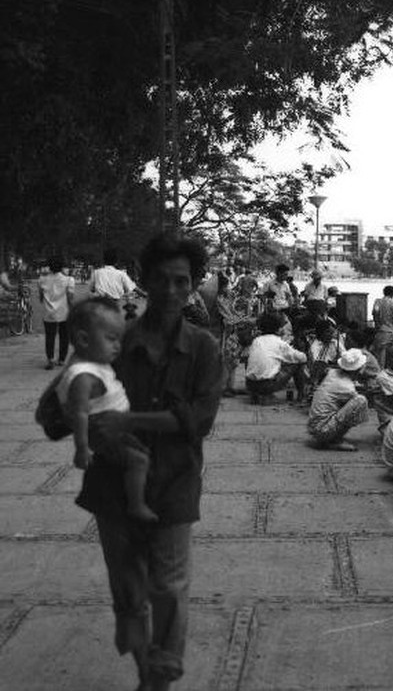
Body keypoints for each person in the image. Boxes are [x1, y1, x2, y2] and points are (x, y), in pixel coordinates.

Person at [75, 232, 223, 690]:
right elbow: (71, 400)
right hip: (112, 483)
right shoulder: (114, 342)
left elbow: (198, 421)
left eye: (183, 281)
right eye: (162, 280)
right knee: (128, 592)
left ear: (195, 283)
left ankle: (160, 680)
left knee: (170, 588)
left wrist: (127, 420)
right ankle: (146, 671)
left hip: (175, 482)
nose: (173, 291)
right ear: (144, 281)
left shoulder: (204, 348)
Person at [57, 298, 157, 523]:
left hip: (118, 427)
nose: (117, 346)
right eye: (111, 339)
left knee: (143, 454)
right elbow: (80, 413)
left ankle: (139, 487)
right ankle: (136, 505)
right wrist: (81, 449)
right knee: (138, 461)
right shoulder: (82, 376)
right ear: (83, 339)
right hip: (105, 432)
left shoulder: (90, 361)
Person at [306, 348, 372, 450]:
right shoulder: (347, 388)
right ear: (358, 369)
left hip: (313, 426)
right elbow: (354, 398)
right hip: (322, 430)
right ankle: (333, 440)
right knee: (360, 400)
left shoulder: (331, 372)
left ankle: (330, 437)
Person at [244, 312, 307, 403]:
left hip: (250, 384)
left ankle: (257, 394)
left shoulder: (256, 341)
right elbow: (301, 358)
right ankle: (301, 395)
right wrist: (304, 354)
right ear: (277, 329)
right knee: (298, 364)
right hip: (267, 384)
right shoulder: (278, 342)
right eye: (282, 327)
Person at [214, 273, 252, 396]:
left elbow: (233, 313)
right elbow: (229, 318)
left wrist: (242, 318)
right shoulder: (219, 299)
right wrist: (245, 320)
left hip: (231, 332)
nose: (228, 289)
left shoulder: (225, 298)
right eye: (225, 287)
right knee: (227, 359)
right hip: (224, 333)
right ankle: (224, 387)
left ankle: (230, 386)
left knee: (233, 359)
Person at [38, 256, 77, 369]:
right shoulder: (69, 280)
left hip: (48, 313)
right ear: (61, 267)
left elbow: (41, 297)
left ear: (49, 266)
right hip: (64, 312)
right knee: (64, 336)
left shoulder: (42, 279)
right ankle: (61, 360)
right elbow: (70, 297)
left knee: (50, 336)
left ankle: (50, 359)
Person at [306, 319, 346, 391]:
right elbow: (317, 363)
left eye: (331, 332)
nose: (331, 334)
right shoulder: (315, 345)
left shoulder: (335, 343)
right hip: (321, 373)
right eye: (327, 332)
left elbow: (345, 356)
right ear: (321, 333)